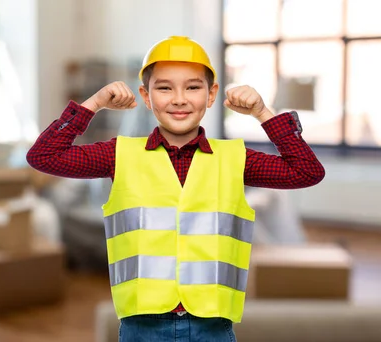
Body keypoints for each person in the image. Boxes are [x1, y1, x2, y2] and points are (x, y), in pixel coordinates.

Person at [26, 36, 325, 342]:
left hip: (213, 326)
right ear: (146, 96)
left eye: (193, 87)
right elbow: (43, 156)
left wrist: (265, 113)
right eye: (164, 87)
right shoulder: (119, 154)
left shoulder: (237, 159)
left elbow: (307, 171)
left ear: (211, 95)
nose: (179, 99)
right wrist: (94, 103)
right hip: (141, 325)